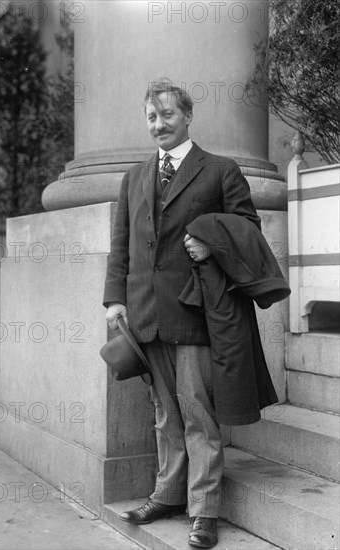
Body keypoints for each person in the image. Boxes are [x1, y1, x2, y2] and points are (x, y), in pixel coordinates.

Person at [103, 80, 271, 549]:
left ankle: (203, 511)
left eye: (168, 115)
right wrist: (114, 299)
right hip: (144, 311)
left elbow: (249, 231)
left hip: (196, 312)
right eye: (152, 117)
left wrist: (209, 241)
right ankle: (167, 494)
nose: (159, 125)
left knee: (197, 411)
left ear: (188, 116)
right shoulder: (133, 178)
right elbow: (121, 245)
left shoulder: (220, 170)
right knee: (163, 413)